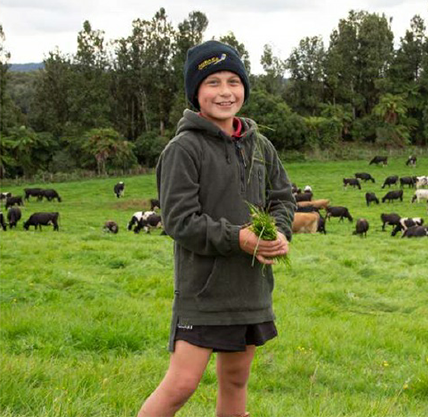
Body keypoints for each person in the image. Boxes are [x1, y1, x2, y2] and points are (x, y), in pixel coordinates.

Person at [138, 40, 296, 417]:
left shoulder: (261, 146)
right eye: (212, 83)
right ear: (195, 92)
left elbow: (283, 197)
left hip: (251, 287)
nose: (225, 92)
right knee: (181, 385)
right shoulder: (183, 149)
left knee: (237, 382)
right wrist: (237, 237)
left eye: (233, 81)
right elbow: (179, 220)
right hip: (204, 291)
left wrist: (279, 232)